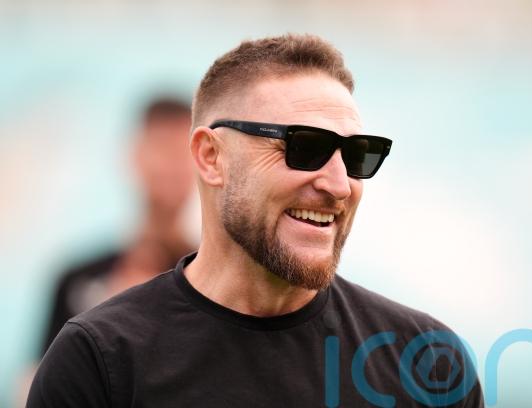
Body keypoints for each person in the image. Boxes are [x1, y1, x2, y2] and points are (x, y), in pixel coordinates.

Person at [27, 34, 484, 407]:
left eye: (357, 155)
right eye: (304, 147)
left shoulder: (428, 364)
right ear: (211, 158)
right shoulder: (98, 360)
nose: (339, 184)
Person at [38, 97, 197, 355]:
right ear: (135, 156)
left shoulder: (210, 281)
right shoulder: (78, 280)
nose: (172, 166)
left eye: (183, 153)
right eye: (163, 148)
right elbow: (44, 373)